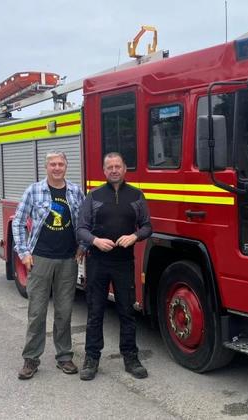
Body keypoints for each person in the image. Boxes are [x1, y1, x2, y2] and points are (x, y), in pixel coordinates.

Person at [76, 152, 152, 380]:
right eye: (109, 167)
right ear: (104, 171)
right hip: (98, 263)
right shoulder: (94, 196)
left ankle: (130, 357)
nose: (114, 170)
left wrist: (135, 236)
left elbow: (148, 226)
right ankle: (91, 359)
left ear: (125, 168)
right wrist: (95, 241)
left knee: (127, 312)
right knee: (95, 311)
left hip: (124, 263)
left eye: (117, 166)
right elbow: (81, 228)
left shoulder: (137, 196)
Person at [12, 151, 85, 380]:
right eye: (52, 164)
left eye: (60, 164)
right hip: (40, 258)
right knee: (37, 312)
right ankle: (31, 359)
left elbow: (83, 222)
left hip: (67, 260)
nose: (57, 168)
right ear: (46, 167)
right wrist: (23, 252)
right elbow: (18, 221)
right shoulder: (33, 190)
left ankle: (64, 357)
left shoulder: (75, 191)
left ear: (66, 167)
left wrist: (82, 246)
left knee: (64, 312)